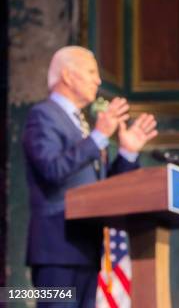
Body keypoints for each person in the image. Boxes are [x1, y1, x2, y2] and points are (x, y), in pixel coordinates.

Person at [23, 46, 158, 307]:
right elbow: (52, 169)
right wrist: (98, 137)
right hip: (57, 252)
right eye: (91, 72)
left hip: (87, 249)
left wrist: (128, 152)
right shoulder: (43, 115)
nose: (98, 80)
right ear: (68, 76)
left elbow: (104, 189)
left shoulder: (85, 126)